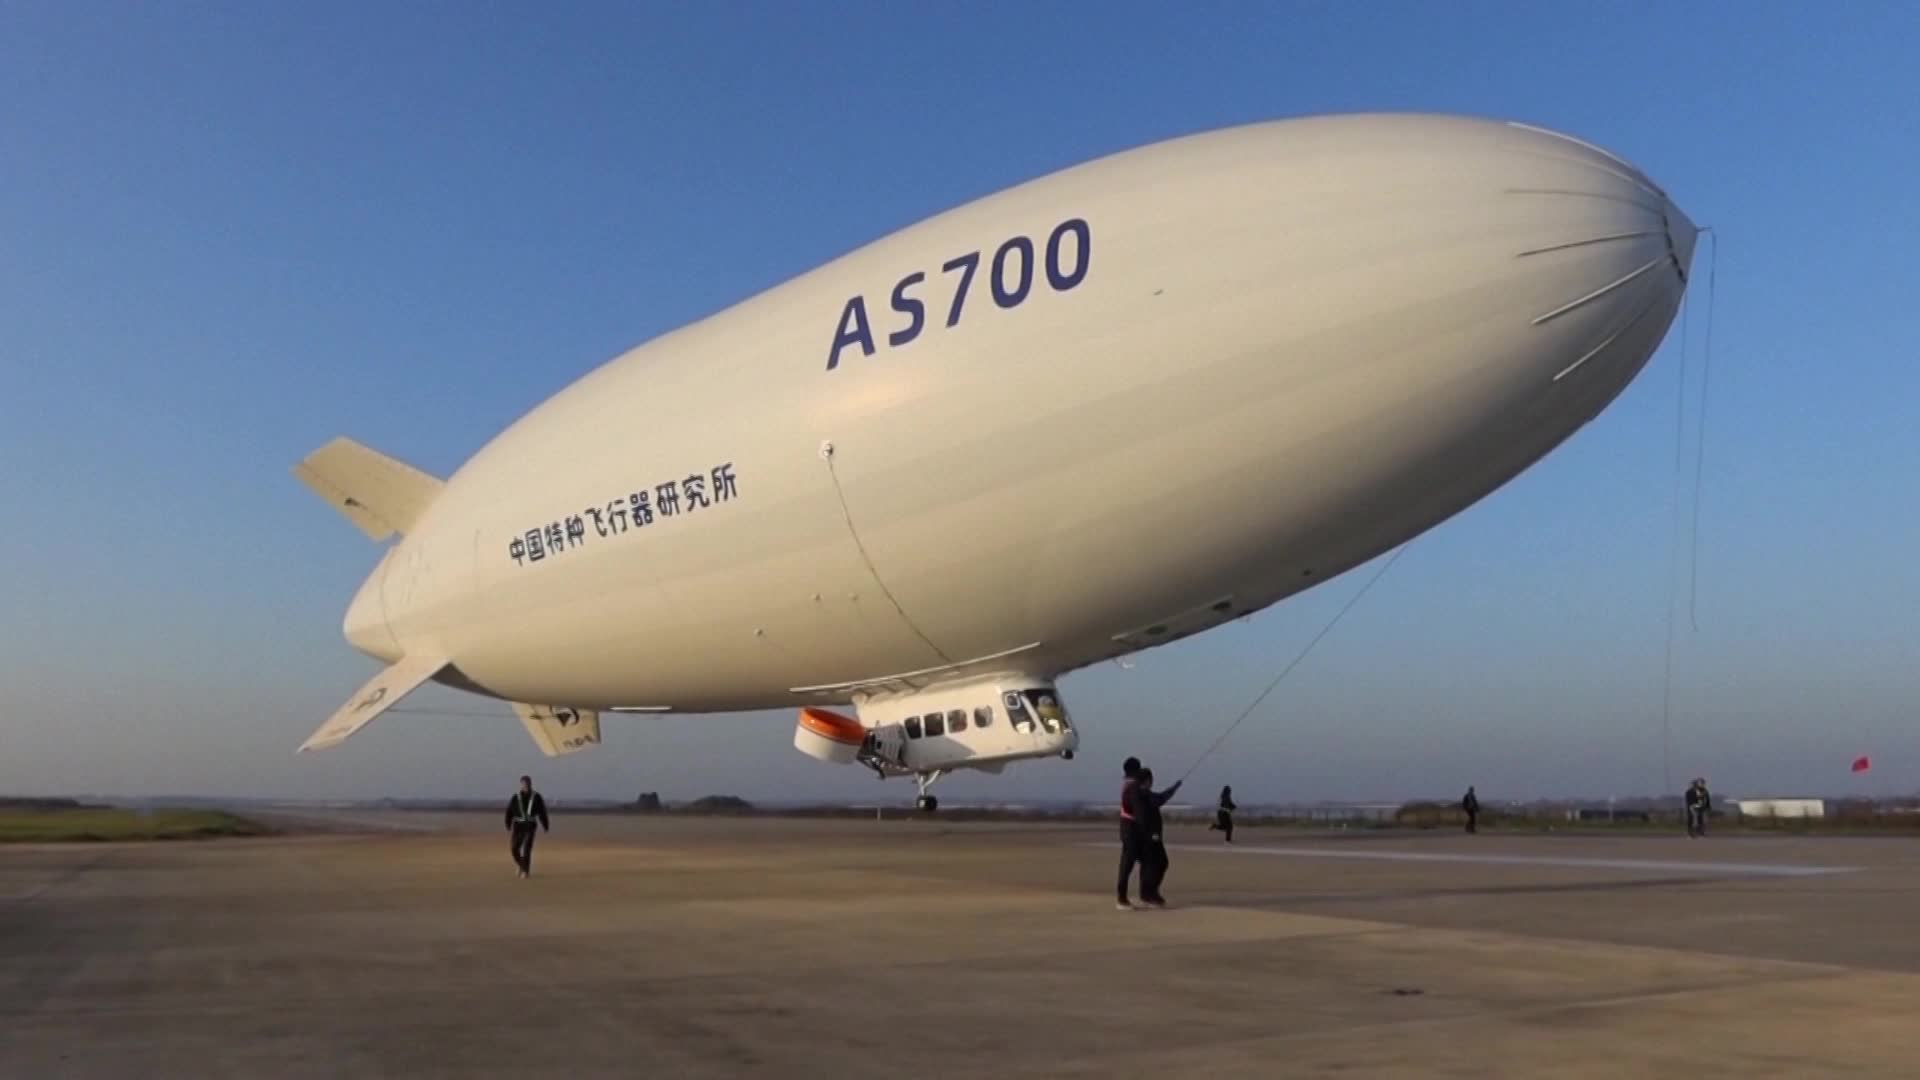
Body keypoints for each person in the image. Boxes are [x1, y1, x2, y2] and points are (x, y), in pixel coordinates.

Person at [1133, 767, 1183, 908]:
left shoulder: (1138, 794)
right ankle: (1150, 894)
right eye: (1151, 780)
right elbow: (1160, 798)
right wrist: (1174, 788)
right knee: (1159, 863)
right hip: (1150, 837)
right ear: (1147, 781)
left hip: (1144, 836)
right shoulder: (1143, 794)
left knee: (1149, 865)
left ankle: (1147, 894)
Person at [504, 775, 550, 878]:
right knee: (514, 849)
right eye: (524, 783)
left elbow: (542, 812)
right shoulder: (515, 797)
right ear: (521, 784)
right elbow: (509, 811)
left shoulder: (536, 797)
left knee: (527, 848)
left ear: (531, 783)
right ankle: (521, 865)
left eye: (528, 783)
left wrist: (545, 824)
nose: (526, 785)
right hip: (518, 826)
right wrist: (508, 823)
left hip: (530, 825)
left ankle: (526, 871)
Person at [1116, 757, 1143, 910]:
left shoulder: (1128, 785)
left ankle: (1138, 895)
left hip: (1127, 827)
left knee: (1130, 863)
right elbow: (1136, 810)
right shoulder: (1132, 787)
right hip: (1130, 829)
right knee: (1127, 864)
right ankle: (1122, 899)